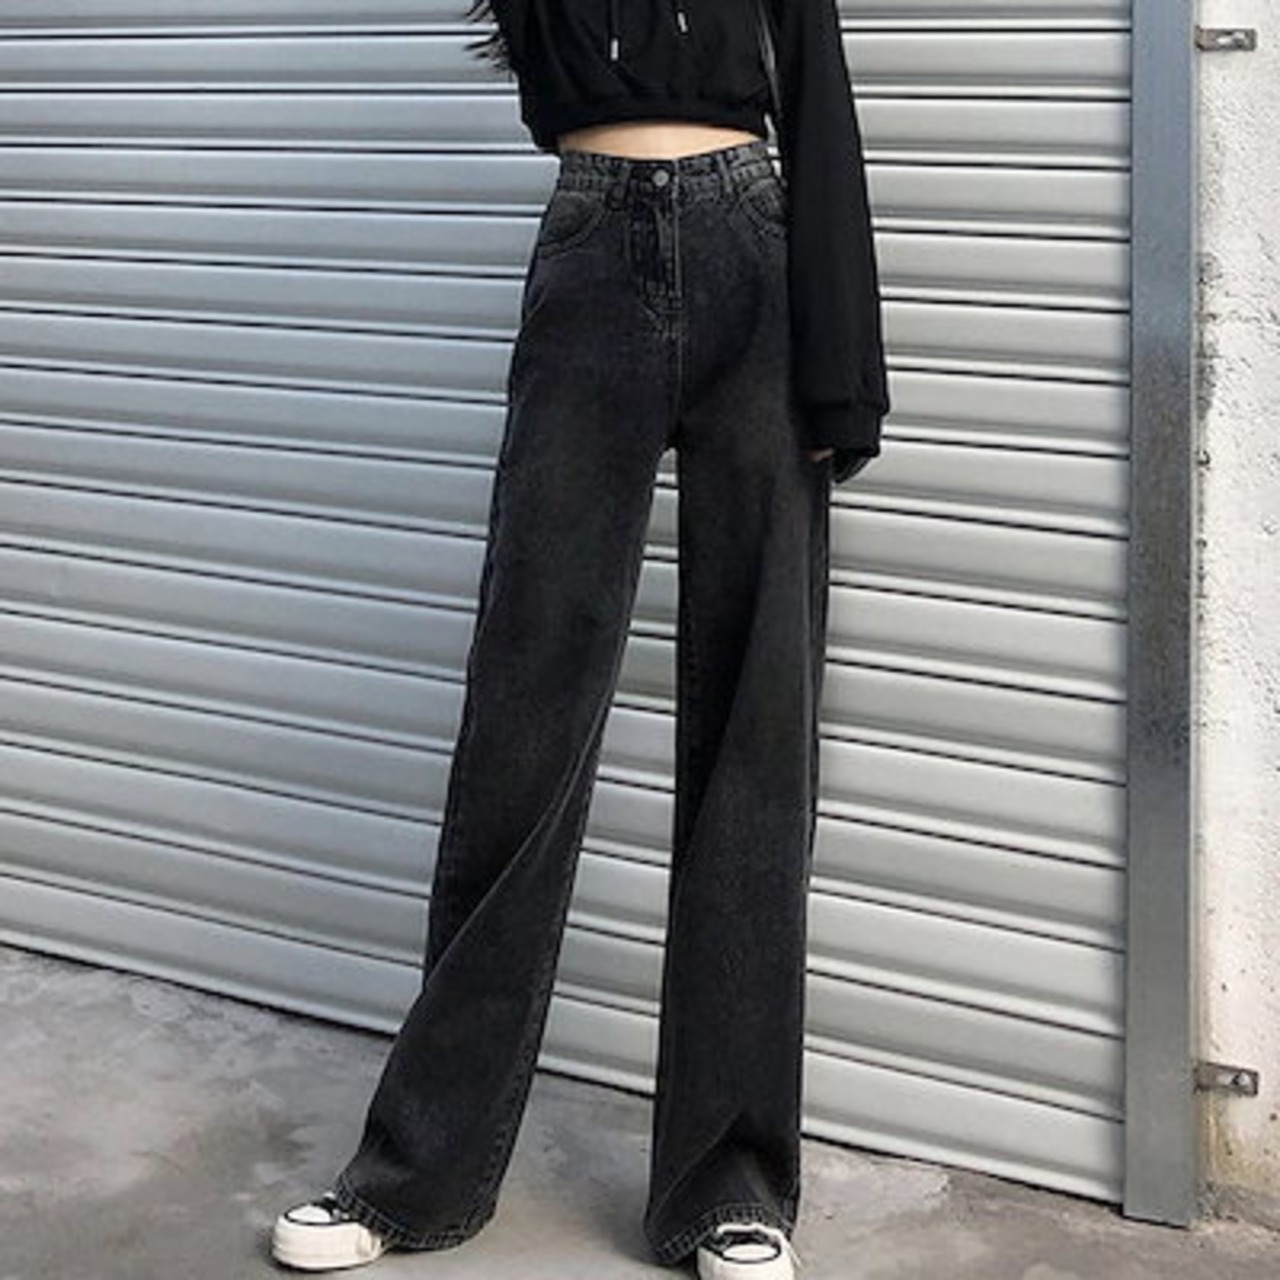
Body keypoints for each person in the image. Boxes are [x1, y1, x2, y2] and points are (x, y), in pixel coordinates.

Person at [270, 1, 888, 1275]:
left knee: (755, 730)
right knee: (523, 714)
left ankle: (729, 1187)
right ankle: (416, 1172)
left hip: (754, 252)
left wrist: (845, 376)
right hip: (591, 244)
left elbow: (818, 99)